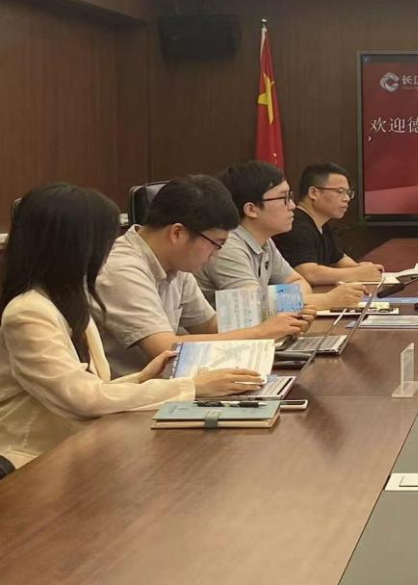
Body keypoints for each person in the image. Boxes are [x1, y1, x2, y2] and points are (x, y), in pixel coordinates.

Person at [0, 184, 261, 478]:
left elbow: (93, 388)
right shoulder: (28, 312)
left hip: (80, 448)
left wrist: (141, 378)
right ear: (73, 247)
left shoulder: (67, 301)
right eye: (104, 241)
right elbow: (81, 400)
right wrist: (191, 387)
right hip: (33, 463)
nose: (109, 251)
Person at [94, 175, 312, 376]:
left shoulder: (176, 264)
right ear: (177, 233)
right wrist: (260, 333)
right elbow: (166, 348)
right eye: (216, 244)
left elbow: (210, 325)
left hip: (170, 384)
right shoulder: (122, 269)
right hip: (133, 396)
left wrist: (282, 322)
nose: (216, 254)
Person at [195, 160, 367, 310]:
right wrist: (327, 300)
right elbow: (252, 306)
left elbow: (298, 282)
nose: (292, 205)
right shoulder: (227, 246)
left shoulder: (265, 242)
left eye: (290, 197)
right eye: (283, 198)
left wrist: (273, 299)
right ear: (252, 209)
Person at [273, 162, 382, 285]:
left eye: (348, 193)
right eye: (340, 191)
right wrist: (357, 273)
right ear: (313, 193)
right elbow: (309, 274)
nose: (346, 198)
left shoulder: (323, 225)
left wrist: (361, 268)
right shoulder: (295, 225)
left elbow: (339, 259)